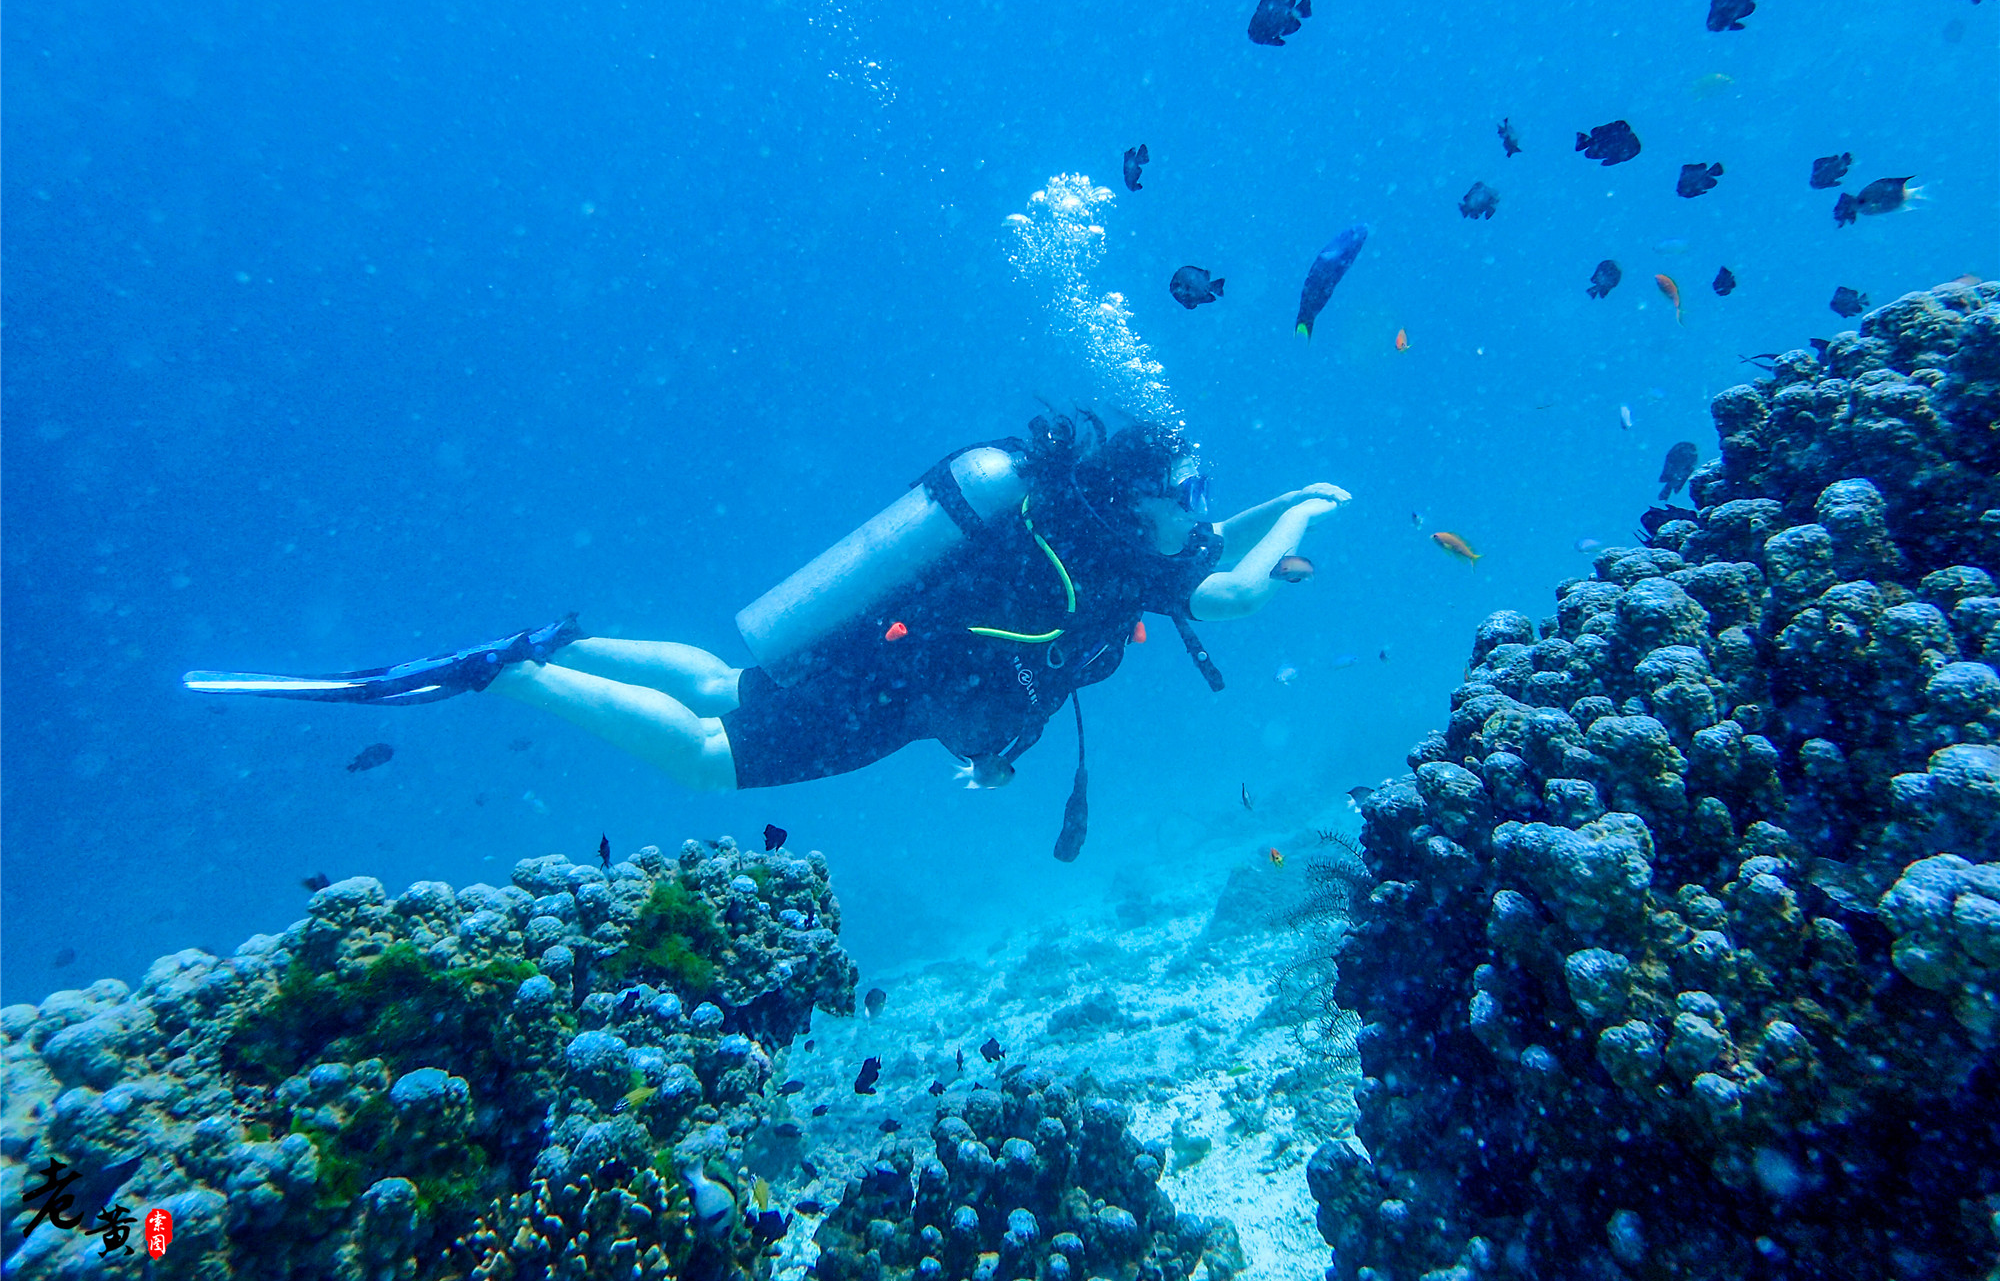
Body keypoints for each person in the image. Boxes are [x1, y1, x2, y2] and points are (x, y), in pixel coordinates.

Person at [185, 411, 1347, 851]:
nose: (1194, 516)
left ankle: (560, 639)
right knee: (706, 761)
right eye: (1186, 494)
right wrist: (1297, 509)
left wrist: (994, 751)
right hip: (886, 694)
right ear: (1141, 494)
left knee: (729, 686)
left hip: (872, 650)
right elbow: (1237, 593)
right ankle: (509, 676)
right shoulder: (1109, 557)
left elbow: (1039, 655)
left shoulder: (1072, 523)